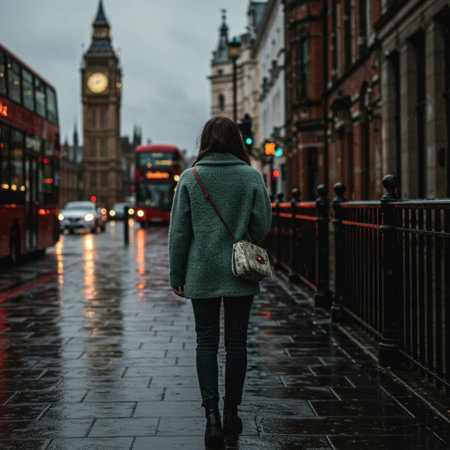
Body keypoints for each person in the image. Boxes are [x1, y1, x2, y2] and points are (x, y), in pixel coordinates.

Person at [168, 116, 272, 447]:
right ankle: (231, 413)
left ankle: (211, 416)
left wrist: (177, 274)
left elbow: (179, 233)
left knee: (206, 342)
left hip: (202, 271)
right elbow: (263, 224)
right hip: (240, 271)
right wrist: (243, 239)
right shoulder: (251, 176)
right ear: (237, 141)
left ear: (205, 142)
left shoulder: (190, 177)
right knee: (237, 343)